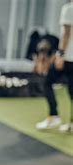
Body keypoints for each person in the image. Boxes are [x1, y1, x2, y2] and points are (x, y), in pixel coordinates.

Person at [36, 0, 73, 132]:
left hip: (67, 58)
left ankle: (53, 115)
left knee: (47, 82)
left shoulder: (69, 8)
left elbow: (66, 33)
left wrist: (60, 54)